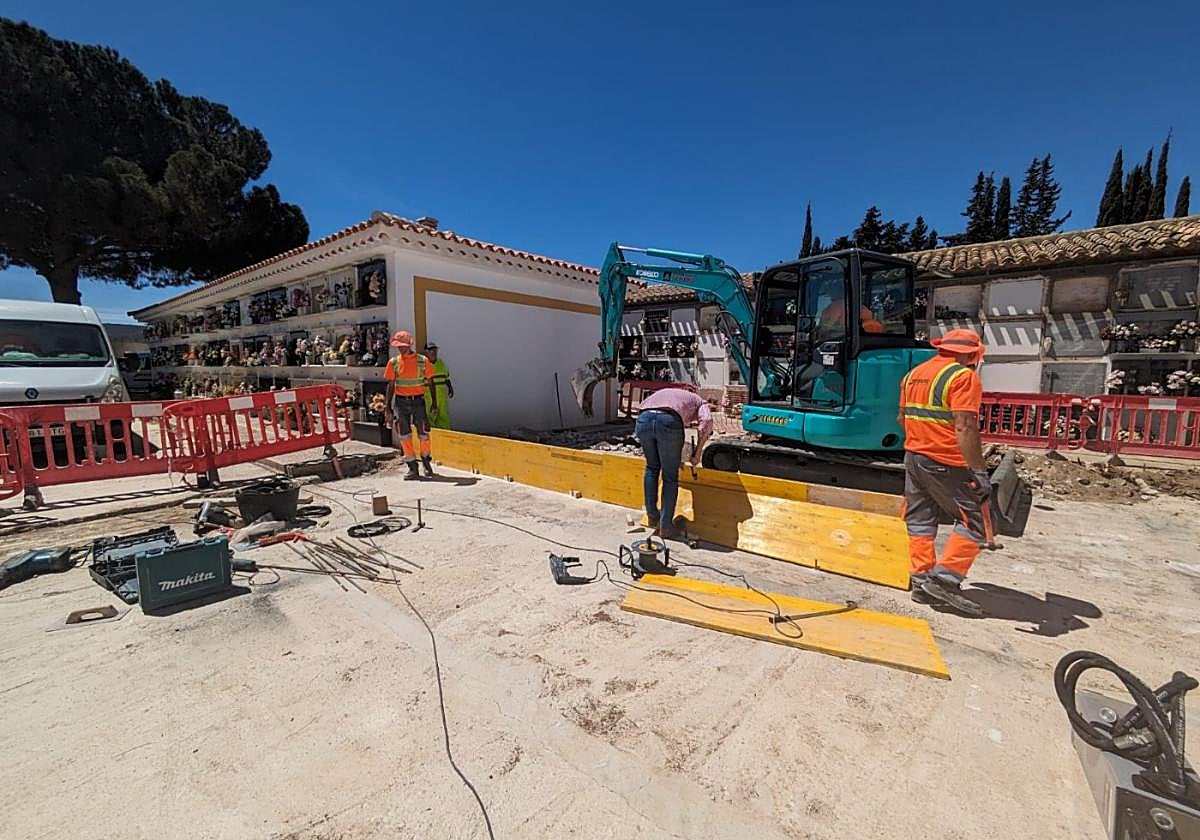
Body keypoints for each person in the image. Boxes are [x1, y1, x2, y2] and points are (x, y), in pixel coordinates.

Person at [898, 328, 989, 615]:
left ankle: (921, 581)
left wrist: (921, 442)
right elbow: (964, 426)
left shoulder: (914, 374)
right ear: (971, 354)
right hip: (945, 461)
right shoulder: (962, 376)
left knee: (921, 520)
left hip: (914, 457)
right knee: (977, 521)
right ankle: (946, 581)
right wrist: (978, 470)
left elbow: (902, 417)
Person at [634, 387, 713, 541]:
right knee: (670, 477)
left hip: (643, 420)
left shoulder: (670, 394)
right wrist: (697, 454)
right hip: (668, 421)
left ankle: (652, 515)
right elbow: (707, 423)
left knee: (652, 468)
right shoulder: (701, 402)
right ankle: (666, 526)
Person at [384, 330, 436, 480]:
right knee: (404, 435)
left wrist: (433, 403)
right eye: (398, 346)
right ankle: (412, 467)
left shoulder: (422, 361)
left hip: (418, 401)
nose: (400, 348)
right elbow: (391, 385)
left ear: (409, 345)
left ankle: (426, 462)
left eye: (403, 346)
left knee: (423, 433)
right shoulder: (393, 362)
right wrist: (387, 407)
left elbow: (430, 382)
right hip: (401, 402)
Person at [423, 341, 454, 429]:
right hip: (429, 397)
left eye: (434, 350)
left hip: (442, 396)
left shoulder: (441, 363)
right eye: (430, 350)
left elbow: (447, 377)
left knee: (444, 417)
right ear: (426, 352)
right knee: (430, 417)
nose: (433, 352)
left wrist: (450, 388)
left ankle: (445, 436)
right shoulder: (423, 365)